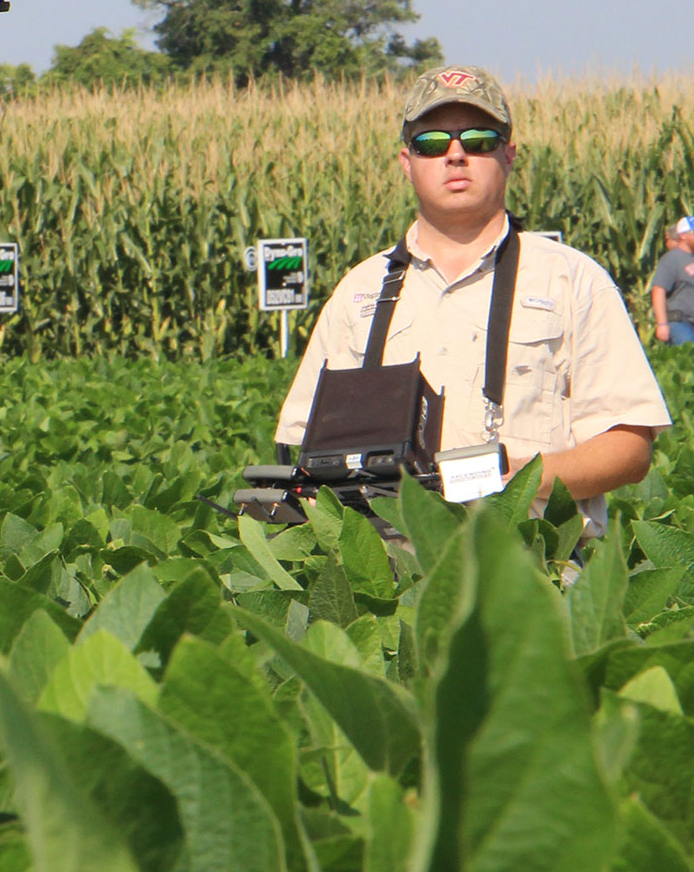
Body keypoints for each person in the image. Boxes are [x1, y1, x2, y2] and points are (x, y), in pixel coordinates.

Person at [275, 65, 669, 530]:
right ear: (407, 162)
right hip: (388, 574)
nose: (455, 155)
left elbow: (628, 448)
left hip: (532, 568)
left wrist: (518, 476)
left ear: (509, 155)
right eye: (432, 143)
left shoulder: (572, 279)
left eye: (478, 140)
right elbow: (300, 447)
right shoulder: (359, 290)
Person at [649, 217, 694, 346]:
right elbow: (658, 290)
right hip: (679, 321)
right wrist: (662, 324)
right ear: (683, 235)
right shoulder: (671, 259)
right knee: (690, 355)